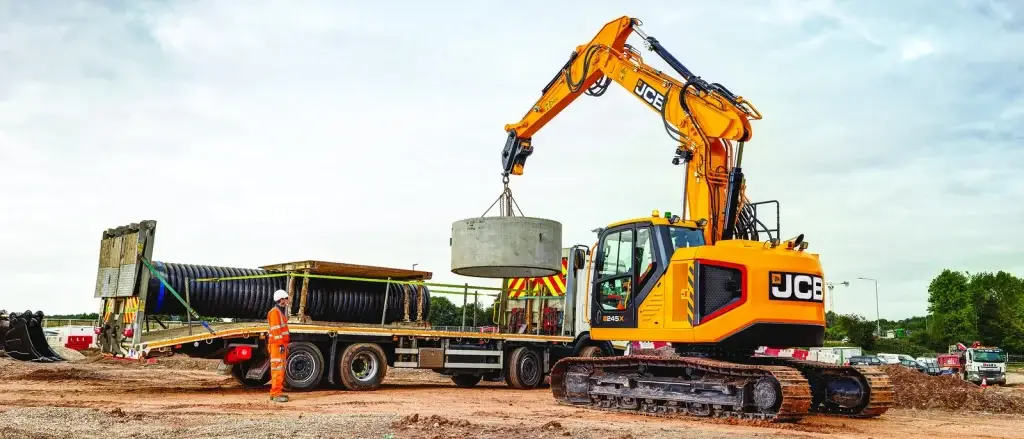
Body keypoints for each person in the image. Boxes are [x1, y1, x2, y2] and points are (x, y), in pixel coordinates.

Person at [267, 289, 291, 403]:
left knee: (280, 369)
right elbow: (276, 331)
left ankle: (276, 392)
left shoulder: (278, 312)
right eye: (286, 299)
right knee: (277, 369)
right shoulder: (275, 312)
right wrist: (281, 345)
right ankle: (276, 394)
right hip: (277, 346)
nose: (287, 301)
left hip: (279, 345)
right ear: (281, 299)